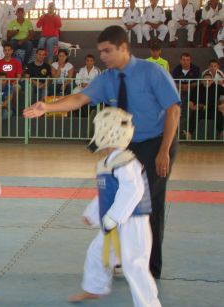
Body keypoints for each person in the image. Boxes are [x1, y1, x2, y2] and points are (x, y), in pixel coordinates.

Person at [24, 25, 181, 280]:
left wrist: (164, 151)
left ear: (123, 48)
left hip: (157, 141)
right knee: (120, 198)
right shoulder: (106, 79)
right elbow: (80, 99)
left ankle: (150, 266)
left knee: (149, 201)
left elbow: (173, 110)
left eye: (107, 51)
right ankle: (123, 256)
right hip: (126, 144)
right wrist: (47, 107)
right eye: (100, 52)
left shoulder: (151, 72)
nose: (103, 56)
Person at [68, 107, 161, 307]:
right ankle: (95, 288)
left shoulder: (125, 161)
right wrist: (93, 214)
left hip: (132, 221)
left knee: (134, 265)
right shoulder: (108, 162)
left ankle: (149, 304)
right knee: (97, 252)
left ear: (107, 132)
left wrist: (114, 217)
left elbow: (133, 191)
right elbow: (107, 192)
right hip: (114, 221)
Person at [182, 73, 224, 140]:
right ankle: (188, 134)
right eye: (205, 80)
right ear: (202, 81)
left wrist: (222, 104)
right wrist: (192, 107)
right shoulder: (197, 88)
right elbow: (190, 101)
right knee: (194, 115)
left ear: (212, 81)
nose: (207, 82)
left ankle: (222, 133)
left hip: (213, 110)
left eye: (209, 80)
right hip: (200, 109)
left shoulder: (217, 87)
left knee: (219, 115)